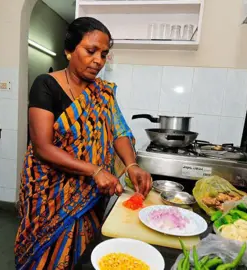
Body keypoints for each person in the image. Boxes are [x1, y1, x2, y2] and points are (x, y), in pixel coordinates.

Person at [15, 17, 152, 270]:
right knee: (44, 255)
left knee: (84, 254)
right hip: (49, 193)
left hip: (90, 193)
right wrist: (94, 170)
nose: (98, 60)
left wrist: (131, 164)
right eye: (91, 51)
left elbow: (118, 130)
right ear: (69, 50)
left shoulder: (103, 92)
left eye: (104, 54)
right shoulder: (45, 85)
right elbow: (42, 147)